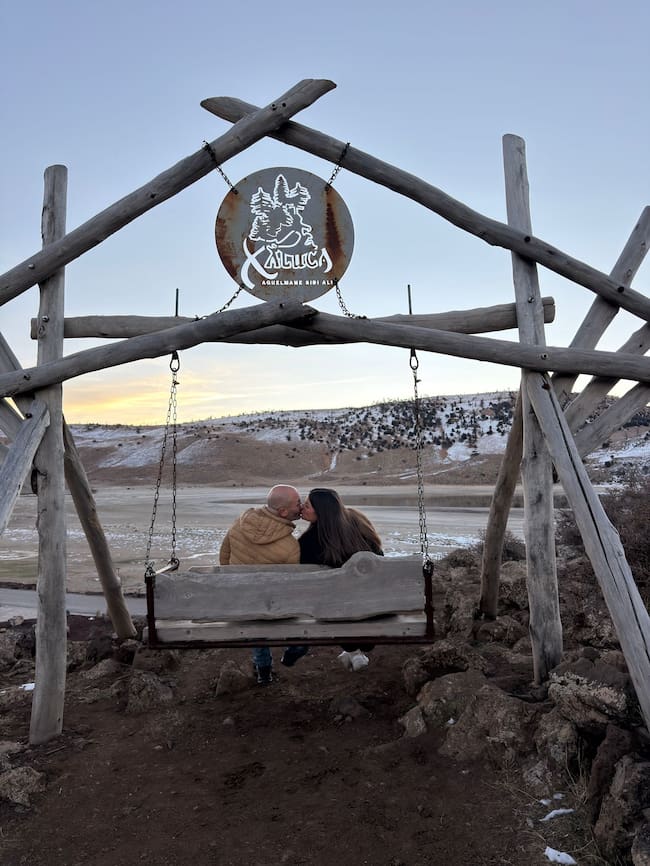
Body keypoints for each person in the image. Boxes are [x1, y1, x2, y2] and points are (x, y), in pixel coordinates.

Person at [219, 484, 303, 685]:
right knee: (279, 609)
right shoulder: (290, 547)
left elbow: (224, 559)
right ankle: (293, 652)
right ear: (283, 512)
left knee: (254, 616)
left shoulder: (239, 525)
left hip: (241, 603)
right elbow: (293, 588)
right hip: (275, 608)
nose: (301, 506)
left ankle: (263, 671)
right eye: (298, 503)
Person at [298, 487, 383, 672]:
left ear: (321, 511)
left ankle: (352, 651)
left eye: (307, 505)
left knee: (329, 603)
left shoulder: (308, 542)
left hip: (335, 611)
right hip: (374, 606)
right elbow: (379, 557)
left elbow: (305, 582)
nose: (301, 508)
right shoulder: (358, 527)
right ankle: (356, 652)